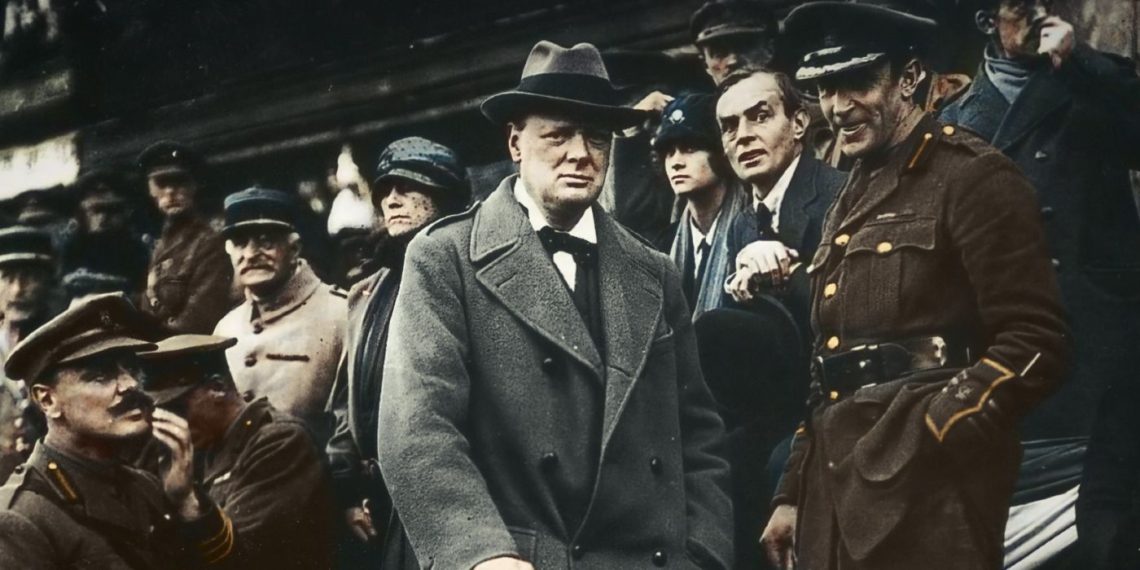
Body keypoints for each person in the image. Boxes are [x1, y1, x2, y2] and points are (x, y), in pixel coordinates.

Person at [377, 41, 733, 570]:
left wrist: (704, 554)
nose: (580, 153)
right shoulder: (445, 257)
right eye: (558, 135)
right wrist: (480, 555)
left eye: (596, 136)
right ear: (515, 142)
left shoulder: (653, 270)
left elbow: (698, 434)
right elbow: (417, 430)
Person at [759, 2, 1070, 569]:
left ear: (908, 79)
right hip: (838, 486)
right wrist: (791, 491)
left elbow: (1034, 340)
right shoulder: (846, 198)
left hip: (932, 495)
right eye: (826, 87)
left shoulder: (973, 175)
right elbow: (827, 364)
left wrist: (935, 436)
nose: (838, 106)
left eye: (857, 81)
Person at [938, 0, 1140, 442]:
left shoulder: (1094, 83)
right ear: (986, 21)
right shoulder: (953, 122)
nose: (1042, 12)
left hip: (1104, 330)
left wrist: (1079, 60)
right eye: (1023, 7)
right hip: (1018, 343)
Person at [0, 293, 233, 568]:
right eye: (100, 376)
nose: (130, 385)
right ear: (48, 401)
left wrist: (187, 503)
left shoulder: (147, 487)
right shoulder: (21, 517)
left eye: (132, 370)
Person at [325, 136, 470, 557]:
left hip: (450, 496)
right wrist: (349, 490)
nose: (393, 198)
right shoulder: (366, 291)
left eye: (410, 186)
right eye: (385, 189)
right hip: (380, 505)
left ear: (446, 196)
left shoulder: (470, 279)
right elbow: (343, 404)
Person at [140, 333, 335, 569]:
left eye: (178, 408)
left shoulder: (280, 443)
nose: (171, 423)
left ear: (218, 388)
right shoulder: (204, 445)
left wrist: (186, 500)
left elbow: (242, 557)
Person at [718, 69, 846, 343]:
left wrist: (787, 270)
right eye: (729, 126)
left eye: (760, 117)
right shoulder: (742, 224)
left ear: (798, 123)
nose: (742, 136)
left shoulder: (842, 194)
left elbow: (854, 311)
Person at [213, 187, 346, 446]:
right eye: (240, 243)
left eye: (265, 241)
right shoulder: (226, 328)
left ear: (293, 248)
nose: (251, 254)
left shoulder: (340, 314)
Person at [655, 94, 747, 318]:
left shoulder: (751, 232)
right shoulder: (664, 246)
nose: (676, 162)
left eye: (690, 149)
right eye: (669, 152)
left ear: (721, 154)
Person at [138, 140, 236, 334]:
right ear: (151, 190)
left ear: (194, 185)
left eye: (179, 181)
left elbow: (199, 318)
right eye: (161, 183)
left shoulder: (209, 242)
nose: (170, 191)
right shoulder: (159, 244)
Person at [0, 227, 57, 476]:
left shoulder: (64, 347)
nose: (17, 291)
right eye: (6, 278)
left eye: (29, 277)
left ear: (48, 282)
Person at [61, 167, 152, 303]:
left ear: (126, 212)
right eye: (95, 211)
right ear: (83, 211)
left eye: (111, 211)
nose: (103, 218)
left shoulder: (138, 252)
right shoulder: (70, 249)